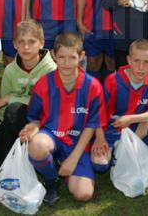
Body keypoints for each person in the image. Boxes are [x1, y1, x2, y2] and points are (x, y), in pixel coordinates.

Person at [19, 32, 105, 206]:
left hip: (78, 143)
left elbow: (91, 125)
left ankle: (65, 165)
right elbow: (34, 117)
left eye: (72, 57)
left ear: (81, 56)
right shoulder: (43, 84)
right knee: (36, 145)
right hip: (52, 136)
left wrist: (73, 158)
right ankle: (52, 179)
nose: (66, 63)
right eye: (61, 57)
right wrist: (32, 128)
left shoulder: (93, 86)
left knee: (83, 194)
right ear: (53, 55)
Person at [91, 39, 148, 184]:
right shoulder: (112, 81)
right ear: (128, 60)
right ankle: (117, 156)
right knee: (99, 166)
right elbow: (98, 113)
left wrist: (130, 119)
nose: (141, 67)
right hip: (112, 130)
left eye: (146, 62)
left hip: (137, 128)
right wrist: (100, 137)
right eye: (136, 61)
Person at [0, 19, 56, 167]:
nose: (26, 47)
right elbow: (3, 112)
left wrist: (12, 98)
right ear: (14, 44)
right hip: (14, 121)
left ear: (41, 43)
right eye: (21, 41)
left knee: (13, 107)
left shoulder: (51, 70)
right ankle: (15, 154)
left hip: (42, 123)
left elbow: (50, 108)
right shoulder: (10, 70)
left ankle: (15, 161)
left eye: (32, 41)